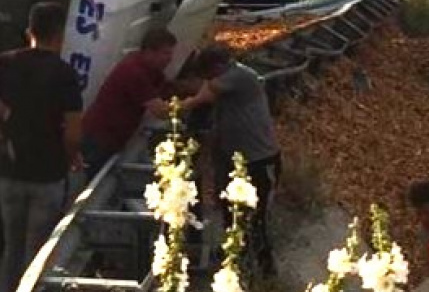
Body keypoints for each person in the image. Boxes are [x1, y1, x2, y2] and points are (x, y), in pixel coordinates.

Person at [0, 2, 83, 292]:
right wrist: (71, 156)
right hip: (48, 174)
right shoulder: (64, 74)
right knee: (37, 250)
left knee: (12, 246)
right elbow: (74, 130)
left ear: (29, 32)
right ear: (59, 34)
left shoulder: (5, 62)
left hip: (10, 170)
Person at [182, 43, 281, 277]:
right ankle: (237, 264)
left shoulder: (240, 76)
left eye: (208, 74)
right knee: (230, 213)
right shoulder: (227, 78)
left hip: (259, 160)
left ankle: (265, 272)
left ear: (218, 67)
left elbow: (202, 96)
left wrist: (173, 107)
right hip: (234, 160)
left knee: (255, 219)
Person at [81, 26, 177, 173]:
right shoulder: (134, 71)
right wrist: (194, 101)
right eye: (166, 53)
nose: (170, 59)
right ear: (149, 52)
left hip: (111, 137)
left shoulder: (147, 68)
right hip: (100, 138)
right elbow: (160, 111)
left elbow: (166, 88)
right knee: (96, 180)